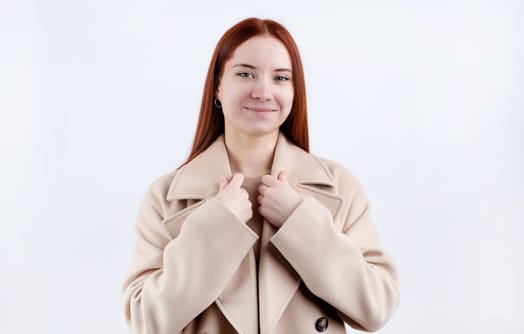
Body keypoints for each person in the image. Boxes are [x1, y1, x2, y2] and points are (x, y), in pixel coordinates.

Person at [122, 17, 399, 334]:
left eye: (280, 78)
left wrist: (300, 221)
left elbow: (377, 306)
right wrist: (216, 228)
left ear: (295, 92)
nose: (263, 91)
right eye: (245, 74)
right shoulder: (166, 196)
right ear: (217, 86)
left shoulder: (338, 186)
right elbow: (146, 321)